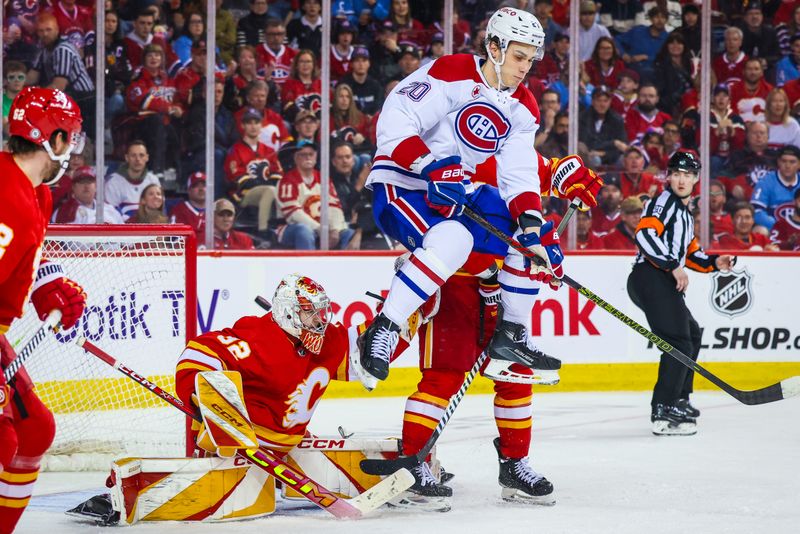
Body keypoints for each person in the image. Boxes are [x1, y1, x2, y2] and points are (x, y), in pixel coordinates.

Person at [359, 8, 602, 386]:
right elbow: (395, 120)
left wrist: (532, 228)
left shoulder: (523, 106)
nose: (525, 68)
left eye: (531, 59)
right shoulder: (452, 71)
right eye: (519, 56)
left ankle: (512, 337)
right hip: (404, 183)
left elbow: (518, 174)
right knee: (454, 239)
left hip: (458, 195)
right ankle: (383, 329)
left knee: (535, 239)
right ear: (494, 46)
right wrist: (428, 165)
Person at [0, 87, 87, 534]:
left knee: (34, 431)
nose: (71, 149)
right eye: (68, 137)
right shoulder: (7, 197)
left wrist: (46, 282)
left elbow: (18, 260)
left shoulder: (36, 195)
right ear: (52, 140)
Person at [627, 151, 736, 436]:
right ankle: (664, 407)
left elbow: (692, 255)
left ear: (696, 179)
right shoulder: (663, 201)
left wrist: (715, 263)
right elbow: (645, 235)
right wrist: (672, 266)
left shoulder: (684, 215)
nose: (681, 179)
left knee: (691, 334)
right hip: (650, 277)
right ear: (669, 176)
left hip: (661, 279)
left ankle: (680, 399)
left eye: (687, 174)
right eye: (676, 173)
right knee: (678, 341)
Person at [277, 141, 354, 250]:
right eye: (303, 154)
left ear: (316, 156)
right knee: (304, 231)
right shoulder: (287, 180)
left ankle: (344, 266)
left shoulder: (324, 178)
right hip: (291, 228)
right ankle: (309, 266)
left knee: (349, 233)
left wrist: (335, 230)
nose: (308, 157)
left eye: (311, 154)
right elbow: (293, 213)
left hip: (322, 229)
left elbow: (334, 207)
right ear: (295, 158)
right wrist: (319, 229)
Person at [105, 140, 161, 220]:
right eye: (133, 155)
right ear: (127, 158)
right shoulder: (113, 182)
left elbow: (159, 210)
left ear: (147, 158)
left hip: (149, 229)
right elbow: (109, 215)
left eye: (141, 155)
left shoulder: (153, 180)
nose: (137, 159)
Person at [52, 166, 124, 224]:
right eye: (82, 182)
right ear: (73, 187)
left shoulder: (109, 208)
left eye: (89, 182)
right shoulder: (66, 211)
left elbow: (124, 235)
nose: (86, 186)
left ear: (95, 186)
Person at [751, 144, 800, 231]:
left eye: (792, 162)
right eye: (784, 161)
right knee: (760, 230)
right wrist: (779, 226)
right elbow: (756, 211)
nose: (787, 166)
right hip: (774, 230)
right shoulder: (765, 182)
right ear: (778, 162)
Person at [579, 86, 628, 166]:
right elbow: (588, 144)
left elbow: (622, 147)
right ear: (592, 101)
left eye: (605, 101)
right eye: (599, 100)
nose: (602, 104)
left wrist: (604, 154)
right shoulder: (583, 118)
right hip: (588, 158)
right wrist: (613, 143)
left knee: (624, 158)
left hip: (610, 158)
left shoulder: (617, 120)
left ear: (610, 102)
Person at [339, 46, 385, 115]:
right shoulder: (344, 84)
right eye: (357, 60)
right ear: (351, 64)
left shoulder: (376, 86)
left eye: (364, 60)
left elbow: (378, 109)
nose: (361, 64)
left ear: (369, 63)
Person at [729, 58, 773, 122]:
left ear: (762, 72)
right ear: (743, 72)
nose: (753, 72)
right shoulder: (733, 90)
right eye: (749, 69)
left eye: (756, 69)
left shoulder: (770, 90)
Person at [169, 172, 206, 237]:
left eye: (204, 185)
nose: (201, 189)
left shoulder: (216, 210)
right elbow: (175, 240)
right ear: (189, 190)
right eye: (196, 186)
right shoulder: (179, 211)